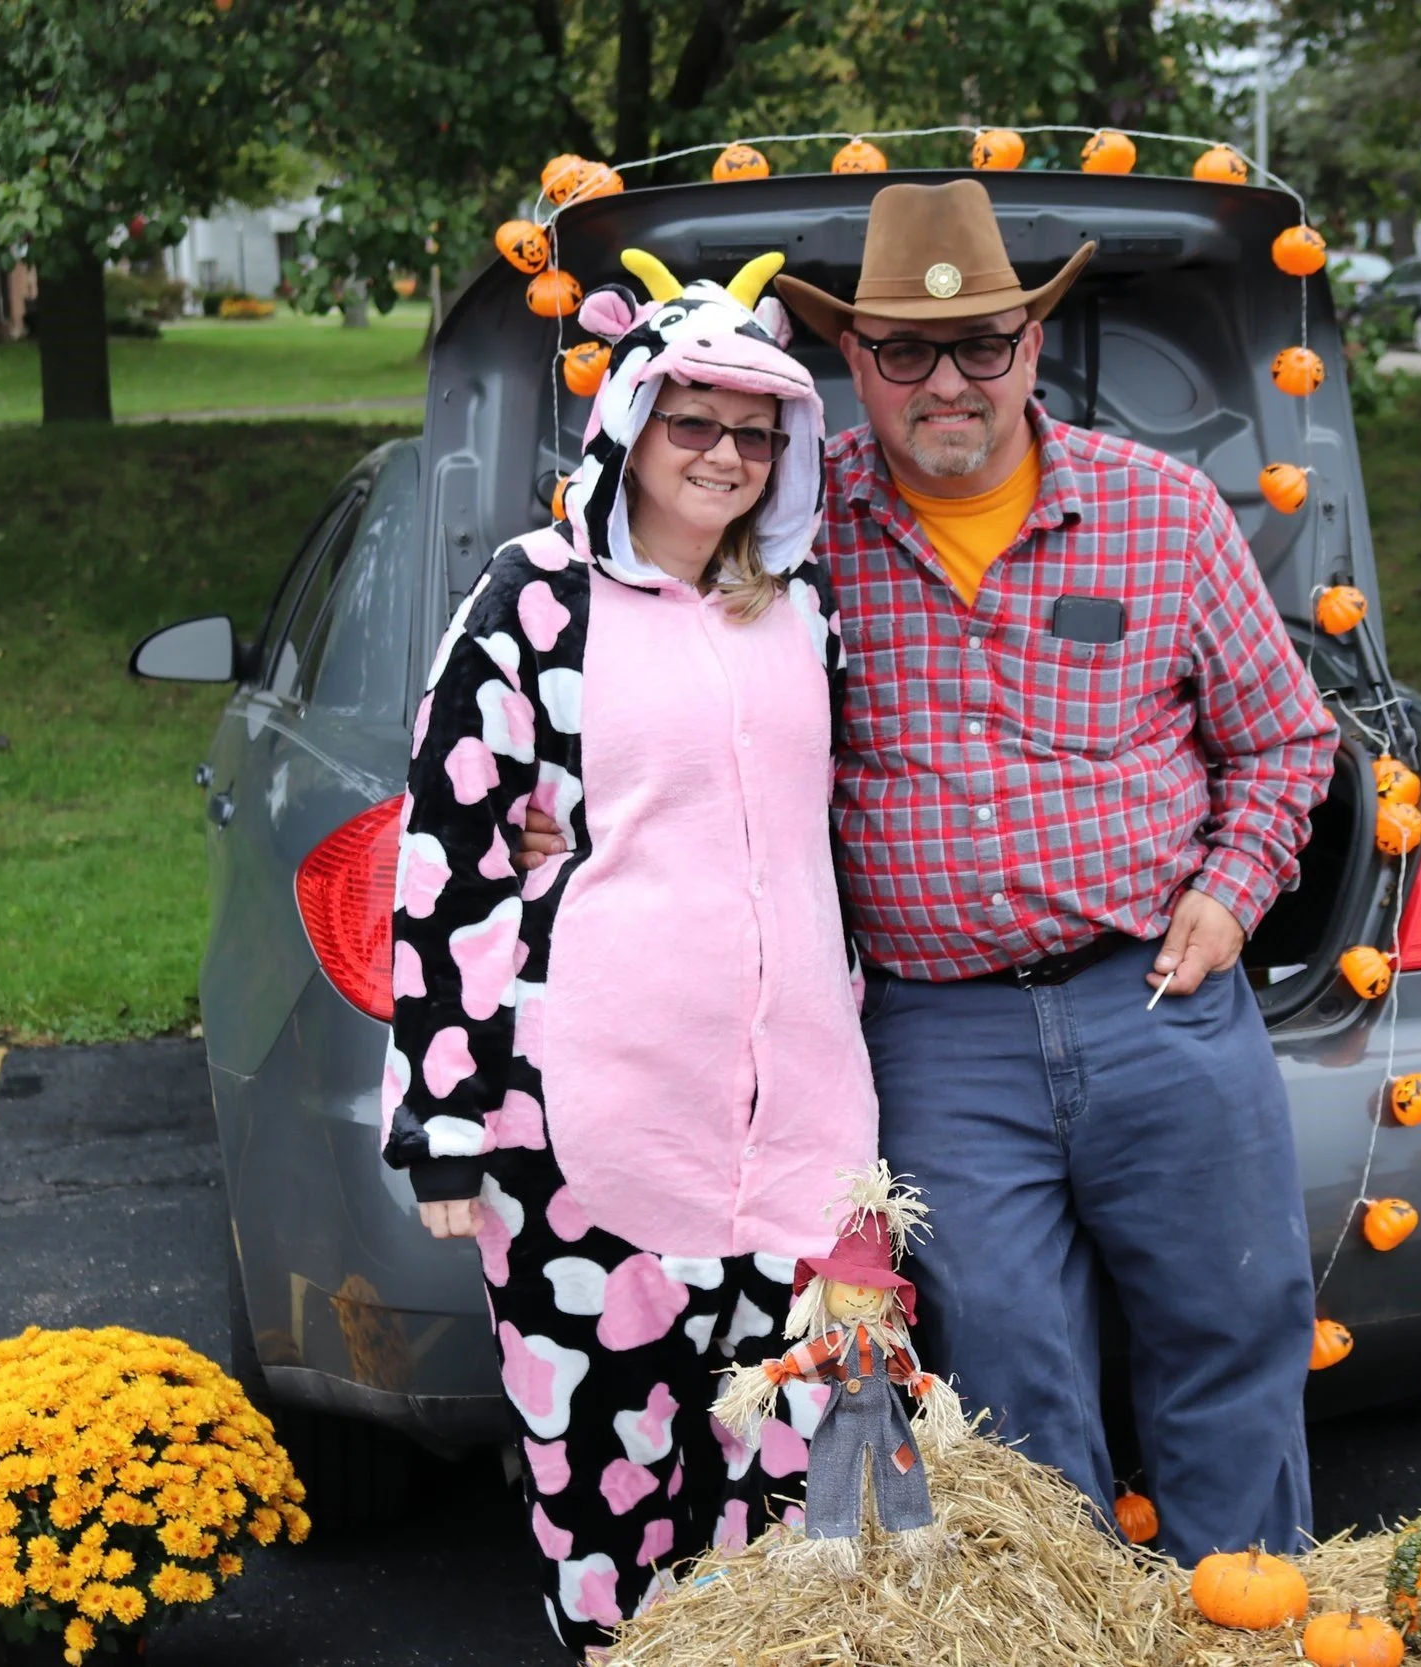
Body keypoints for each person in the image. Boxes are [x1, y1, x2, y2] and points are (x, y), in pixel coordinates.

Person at [520, 179, 1338, 1564]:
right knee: (1011, 1378)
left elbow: (1284, 740)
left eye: (979, 345)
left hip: (1160, 1008)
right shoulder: (788, 530)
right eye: (904, 349)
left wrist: (1233, 889)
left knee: (1229, 1336)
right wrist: (561, 802)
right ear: (854, 364)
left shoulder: (1166, 512)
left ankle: (1247, 1625)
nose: (945, 379)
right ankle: (1062, 1642)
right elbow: (648, 647)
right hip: (934, 1033)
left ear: (1030, 345)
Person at [382, 250, 875, 1655]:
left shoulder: (803, 611)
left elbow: (817, 843)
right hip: (587, 1136)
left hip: (801, 1134)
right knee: (611, 1498)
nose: (723, 453)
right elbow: (453, 858)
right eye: (692, 421)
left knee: (804, 1492)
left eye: (753, 427)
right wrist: (446, 1113)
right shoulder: (531, 603)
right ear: (630, 422)